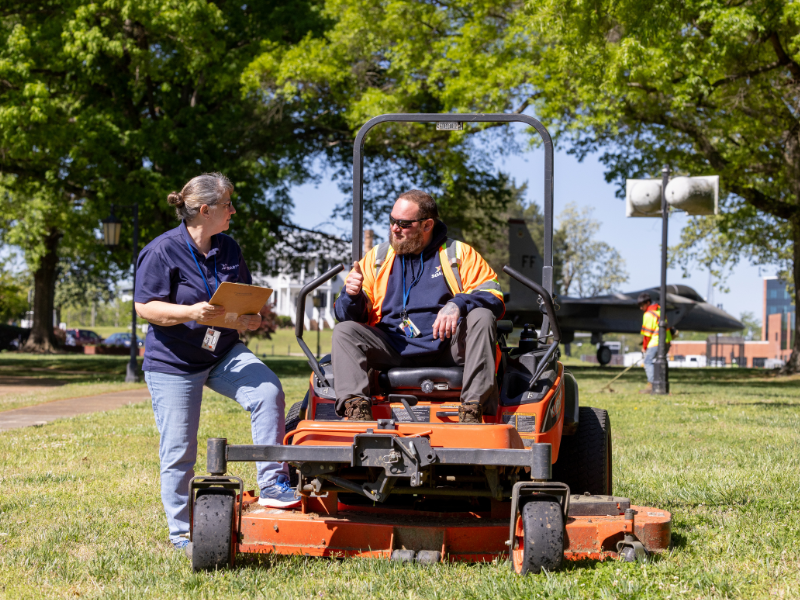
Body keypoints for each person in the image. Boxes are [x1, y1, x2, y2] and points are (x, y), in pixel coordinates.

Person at [134, 173, 298, 553]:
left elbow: (241, 298)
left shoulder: (228, 248)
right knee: (179, 449)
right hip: (174, 361)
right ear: (205, 210)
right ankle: (181, 535)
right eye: (228, 205)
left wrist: (250, 318)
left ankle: (273, 482)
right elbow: (146, 307)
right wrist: (189, 310)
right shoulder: (162, 250)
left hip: (222, 351)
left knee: (268, 390)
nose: (234, 211)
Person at [332, 189, 504, 423]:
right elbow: (347, 315)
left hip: (447, 347)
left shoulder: (459, 254)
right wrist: (351, 296)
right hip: (393, 346)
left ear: (427, 225)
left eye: (403, 223)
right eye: (392, 221)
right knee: (344, 331)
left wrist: (458, 303)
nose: (394, 228)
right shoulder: (377, 258)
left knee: (482, 316)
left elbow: (493, 295)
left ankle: (473, 410)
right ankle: (357, 412)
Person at [638, 291, 672, 393]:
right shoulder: (660, 310)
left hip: (656, 341)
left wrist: (644, 347)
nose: (640, 308)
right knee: (660, 362)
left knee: (647, 361)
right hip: (666, 341)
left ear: (648, 303)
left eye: (641, 305)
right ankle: (661, 384)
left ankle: (653, 385)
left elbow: (647, 335)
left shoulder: (648, 314)